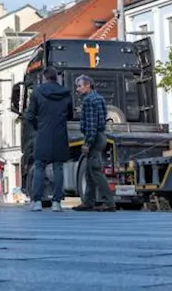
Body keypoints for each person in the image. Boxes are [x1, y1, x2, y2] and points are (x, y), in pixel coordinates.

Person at [25, 66, 74, 212]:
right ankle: (57, 202)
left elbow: (29, 116)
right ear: (57, 77)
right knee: (58, 167)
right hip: (60, 134)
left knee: (39, 166)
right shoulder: (66, 94)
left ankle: (37, 201)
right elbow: (70, 115)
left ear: (44, 77)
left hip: (43, 134)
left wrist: (38, 126)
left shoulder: (37, 93)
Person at [73, 75, 115, 212]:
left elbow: (91, 125)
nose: (77, 89)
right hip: (101, 136)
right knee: (89, 171)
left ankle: (109, 202)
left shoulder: (88, 101)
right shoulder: (100, 98)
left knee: (95, 170)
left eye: (79, 86)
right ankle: (88, 201)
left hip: (94, 138)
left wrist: (87, 143)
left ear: (88, 86)